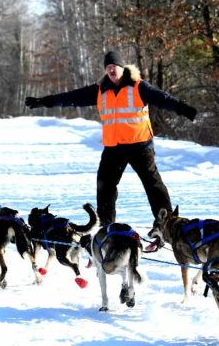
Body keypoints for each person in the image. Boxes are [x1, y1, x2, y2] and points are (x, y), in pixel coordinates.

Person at [24, 50, 197, 226]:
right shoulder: (100, 90)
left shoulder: (138, 86)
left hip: (140, 146)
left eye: (114, 66)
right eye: (108, 68)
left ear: (122, 68)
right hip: (114, 148)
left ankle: (167, 224)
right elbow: (71, 97)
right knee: (105, 186)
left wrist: (183, 108)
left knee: (153, 185)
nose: (111, 70)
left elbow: (162, 98)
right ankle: (105, 226)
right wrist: (43, 101)